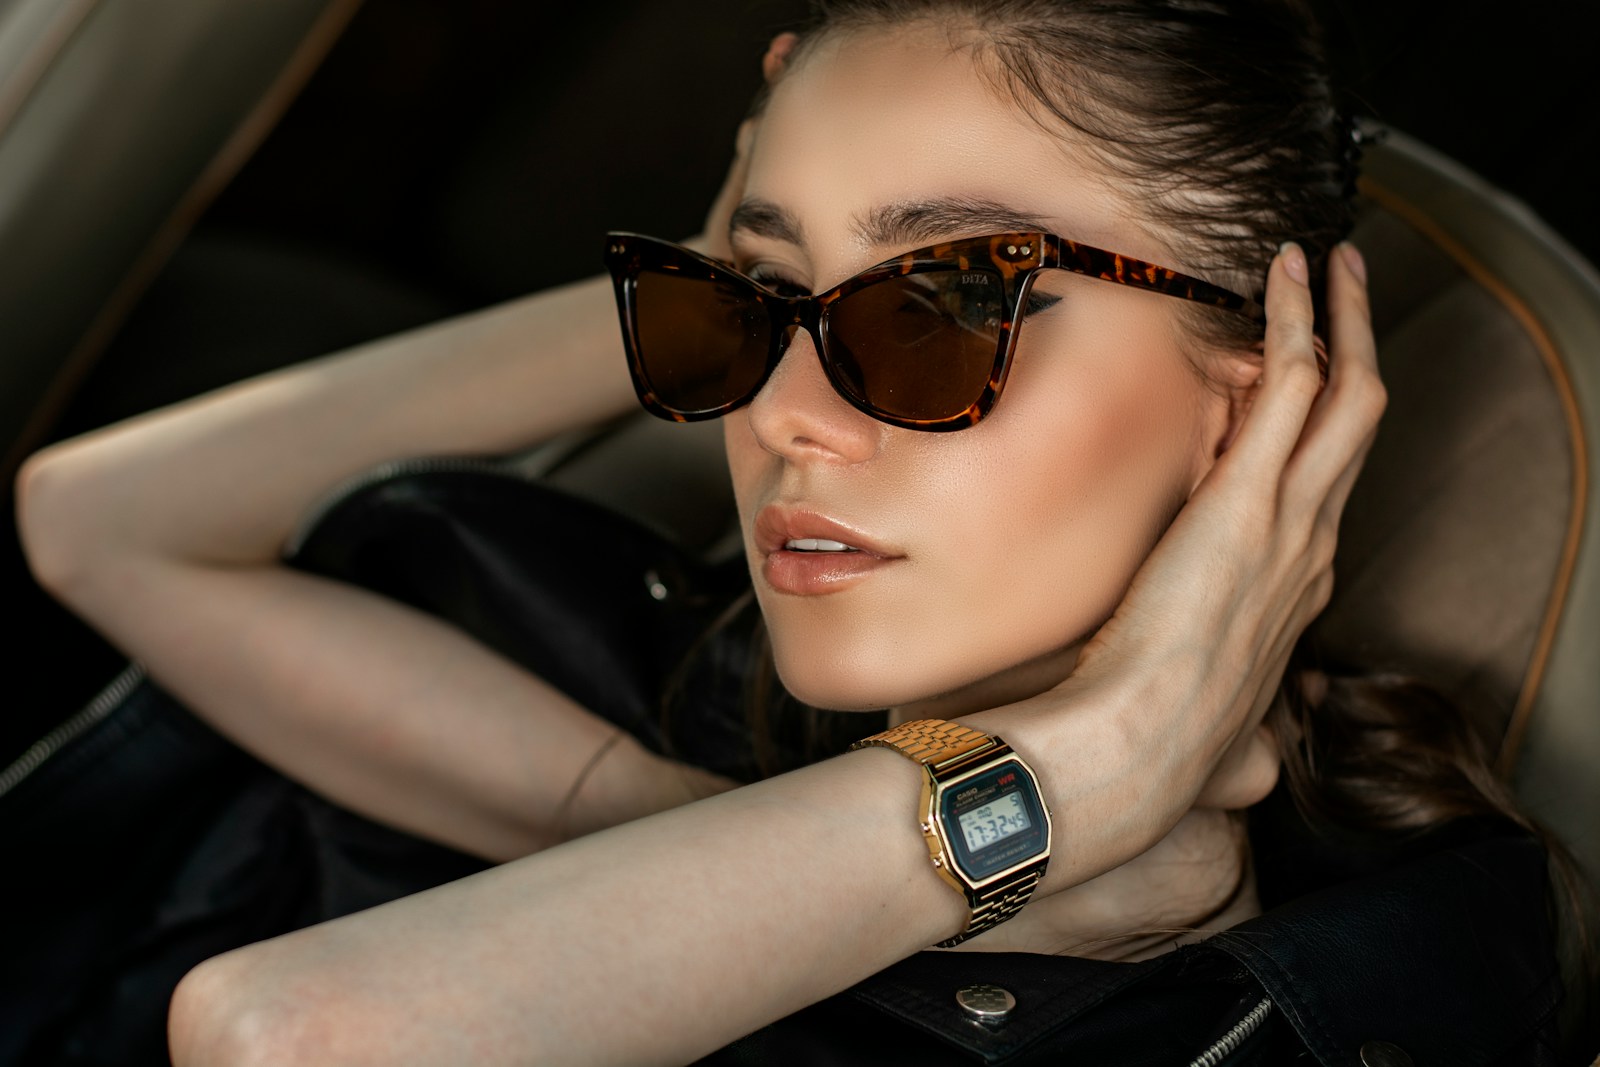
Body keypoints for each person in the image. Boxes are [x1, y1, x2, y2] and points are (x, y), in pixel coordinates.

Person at [13, 0, 1577, 1063]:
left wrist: (1077, 782)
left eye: (936, 310)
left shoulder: (1244, 1027)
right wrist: (727, 251)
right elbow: (101, 520)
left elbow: (287, 1036)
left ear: (1255, 411)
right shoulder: (694, 764)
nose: (779, 413)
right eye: (759, 313)